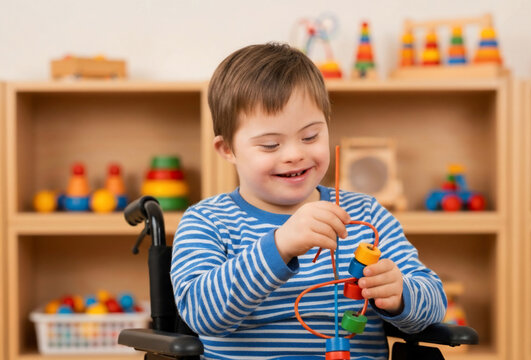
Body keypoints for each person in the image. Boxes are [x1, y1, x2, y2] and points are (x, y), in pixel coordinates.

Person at [171, 42, 447, 360]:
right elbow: (200, 313)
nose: (295, 154)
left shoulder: (365, 214)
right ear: (227, 150)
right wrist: (280, 245)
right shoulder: (207, 221)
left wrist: (400, 295)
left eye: (310, 137)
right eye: (271, 144)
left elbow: (434, 302)